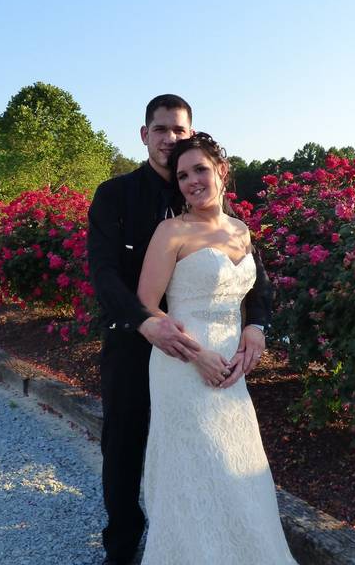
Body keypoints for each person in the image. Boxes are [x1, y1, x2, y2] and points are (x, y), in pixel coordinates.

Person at [88, 96, 271, 565]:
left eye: (180, 131)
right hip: (136, 339)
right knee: (126, 443)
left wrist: (257, 326)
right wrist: (146, 320)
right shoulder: (116, 194)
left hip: (215, 351)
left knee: (211, 451)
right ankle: (123, 545)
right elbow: (104, 273)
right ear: (144, 134)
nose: (171, 139)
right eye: (162, 129)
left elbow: (255, 280)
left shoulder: (205, 200)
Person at [135, 133, 296, 563]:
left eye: (200, 170)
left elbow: (252, 294)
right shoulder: (171, 231)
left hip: (232, 368)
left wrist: (254, 332)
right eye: (183, 175)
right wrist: (197, 355)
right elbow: (146, 307)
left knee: (236, 459)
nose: (191, 181)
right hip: (183, 365)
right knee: (195, 465)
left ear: (222, 171)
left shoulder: (241, 230)